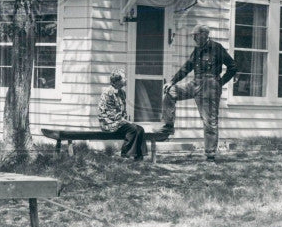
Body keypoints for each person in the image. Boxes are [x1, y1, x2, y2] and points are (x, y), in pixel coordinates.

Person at [157, 24, 237, 161]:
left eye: (195, 35)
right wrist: (172, 82)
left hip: (210, 87)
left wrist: (220, 83)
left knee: (209, 122)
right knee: (170, 92)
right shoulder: (197, 50)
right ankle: (168, 126)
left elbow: (232, 66)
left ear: (204, 34)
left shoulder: (217, 48)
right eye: (193, 36)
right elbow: (186, 68)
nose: (193, 38)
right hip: (195, 83)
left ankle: (210, 156)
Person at [98, 69, 148, 160]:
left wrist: (125, 120)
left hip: (119, 122)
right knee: (132, 129)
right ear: (117, 80)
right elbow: (110, 114)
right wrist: (125, 121)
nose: (126, 80)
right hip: (108, 123)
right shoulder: (108, 92)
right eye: (124, 78)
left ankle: (139, 156)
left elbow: (122, 111)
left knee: (140, 129)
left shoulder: (122, 93)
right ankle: (125, 155)